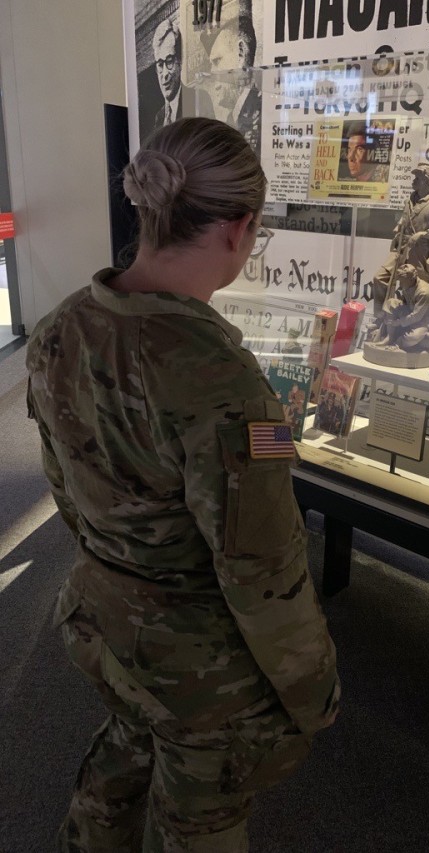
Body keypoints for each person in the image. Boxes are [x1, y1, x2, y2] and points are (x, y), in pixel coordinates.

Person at [26, 117, 340, 852]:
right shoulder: (225, 387)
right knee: (200, 816)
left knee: (124, 755)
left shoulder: (58, 328)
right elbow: (261, 571)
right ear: (239, 229)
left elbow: (66, 495)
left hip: (101, 621)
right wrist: (313, 688)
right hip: (199, 670)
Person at [371, 162, 429, 317]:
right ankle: (380, 317)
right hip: (401, 248)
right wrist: (398, 230)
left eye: (417, 178)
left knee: (414, 291)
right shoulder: (409, 200)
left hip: (419, 252)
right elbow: (404, 220)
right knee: (380, 278)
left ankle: (410, 323)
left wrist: (422, 235)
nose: (413, 180)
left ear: (426, 181)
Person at [206, 17, 261, 152]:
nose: (212, 73)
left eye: (217, 61)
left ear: (241, 53)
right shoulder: (231, 120)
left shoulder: (262, 113)